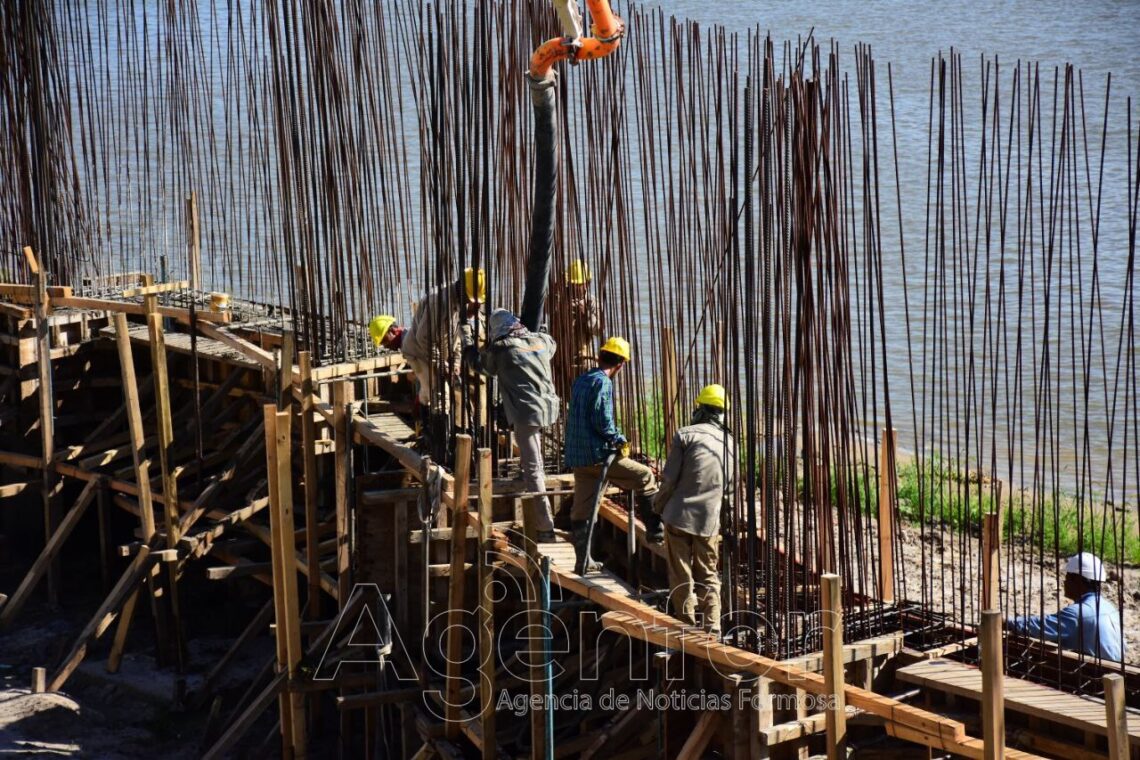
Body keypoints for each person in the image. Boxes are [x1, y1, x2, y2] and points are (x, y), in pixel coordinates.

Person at [564, 336, 661, 573]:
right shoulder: (603, 383)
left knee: (583, 509)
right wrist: (619, 439)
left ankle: (583, 561)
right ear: (621, 364)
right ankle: (656, 532)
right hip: (598, 457)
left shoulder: (581, 380)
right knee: (645, 476)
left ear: (600, 356)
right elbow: (602, 421)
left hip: (579, 458)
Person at [654, 384, 736, 636]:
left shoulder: (685, 435)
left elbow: (669, 481)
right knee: (709, 574)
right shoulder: (730, 443)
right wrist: (726, 519)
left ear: (700, 408)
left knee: (681, 573)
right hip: (708, 521)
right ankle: (713, 628)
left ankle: (687, 625)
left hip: (678, 517)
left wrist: (656, 507)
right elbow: (729, 489)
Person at [477, 309, 561, 543]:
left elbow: (483, 368)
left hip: (527, 413)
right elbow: (551, 343)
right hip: (549, 408)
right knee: (535, 460)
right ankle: (544, 519)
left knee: (534, 470)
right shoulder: (540, 340)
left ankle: (545, 527)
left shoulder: (502, 350)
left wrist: (468, 346)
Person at [1006, 552, 1124, 662]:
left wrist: (1008, 621)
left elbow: (1043, 626)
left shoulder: (1078, 612)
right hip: (1116, 670)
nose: (1065, 582)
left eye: (1067, 577)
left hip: (1095, 675)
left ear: (1078, 580)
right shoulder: (1110, 608)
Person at [400, 268, 485, 413]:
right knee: (440, 393)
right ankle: (432, 427)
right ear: (462, 289)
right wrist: (442, 363)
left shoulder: (460, 300)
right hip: (418, 351)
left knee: (434, 390)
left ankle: (423, 413)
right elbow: (423, 338)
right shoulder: (439, 302)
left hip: (436, 350)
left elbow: (457, 336)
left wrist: (456, 363)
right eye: (471, 301)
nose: (473, 306)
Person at [551, 259, 603, 398]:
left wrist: (586, 315)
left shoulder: (591, 302)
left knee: (582, 397)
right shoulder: (558, 298)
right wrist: (555, 288)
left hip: (582, 359)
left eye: (584, 284)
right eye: (577, 284)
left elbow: (599, 330)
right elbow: (543, 309)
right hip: (558, 358)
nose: (583, 288)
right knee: (559, 397)